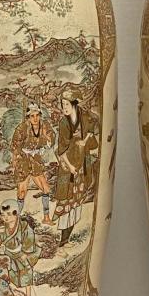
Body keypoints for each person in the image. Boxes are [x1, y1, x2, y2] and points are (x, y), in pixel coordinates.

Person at [53, 90, 99, 246]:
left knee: (76, 203)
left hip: (82, 165)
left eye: (66, 104)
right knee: (66, 203)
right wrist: (71, 166)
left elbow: (92, 127)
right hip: (68, 167)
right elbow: (61, 150)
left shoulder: (84, 117)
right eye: (62, 105)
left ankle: (67, 240)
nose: (64, 108)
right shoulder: (63, 123)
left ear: (74, 104)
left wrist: (85, 141)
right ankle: (63, 240)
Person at [10, 102, 55, 224]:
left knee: (45, 189)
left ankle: (46, 218)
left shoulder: (45, 125)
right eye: (32, 116)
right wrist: (14, 161)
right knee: (22, 192)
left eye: (37, 115)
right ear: (28, 117)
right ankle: (16, 220)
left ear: (40, 115)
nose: (35, 118)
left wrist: (47, 138)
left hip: (36, 161)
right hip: (23, 161)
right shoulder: (22, 128)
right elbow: (15, 146)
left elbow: (52, 139)